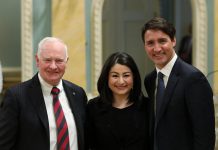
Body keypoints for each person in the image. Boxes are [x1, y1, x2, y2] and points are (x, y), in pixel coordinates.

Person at [141, 17, 215, 150]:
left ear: (173, 40)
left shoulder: (194, 79)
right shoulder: (150, 80)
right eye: (150, 43)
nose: (157, 49)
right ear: (144, 46)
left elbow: (205, 136)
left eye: (162, 41)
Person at [0, 37, 87, 150]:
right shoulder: (17, 96)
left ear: (66, 62)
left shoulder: (78, 94)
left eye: (59, 60)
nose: (53, 66)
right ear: (37, 60)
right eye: (47, 60)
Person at [86, 52, 149, 150]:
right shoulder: (93, 107)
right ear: (106, 78)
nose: (121, 81)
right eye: (115, 76)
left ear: (134, 77)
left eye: (126, 75)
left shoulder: (148, 106)